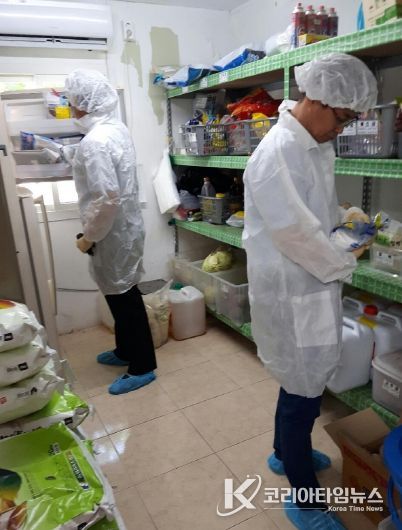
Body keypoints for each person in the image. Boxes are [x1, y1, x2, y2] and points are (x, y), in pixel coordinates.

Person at [242, 53, 377, 530]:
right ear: (316, 99)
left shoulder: (313, 145)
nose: (341, 129)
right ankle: (304, 496)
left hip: (311, 285)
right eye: (341, 118)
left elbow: (314, 213)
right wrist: (346, 252)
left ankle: (284, 452)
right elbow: (296, 234)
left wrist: (344, 222)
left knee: (301, 386)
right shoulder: (276, 154)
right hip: (291, 289)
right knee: (302, 393)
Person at [64, 69, 157, 396]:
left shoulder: (95, 141)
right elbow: (100, 163)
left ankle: (142, 365)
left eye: (72, 101)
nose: (70, 107)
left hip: (110, 232)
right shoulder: (114, 129)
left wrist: (89, 237)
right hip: (124, 228)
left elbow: (106, 198)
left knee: (125, 300)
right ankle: (124, 350)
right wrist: (63, 152)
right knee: (119, 295)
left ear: (83, 104)